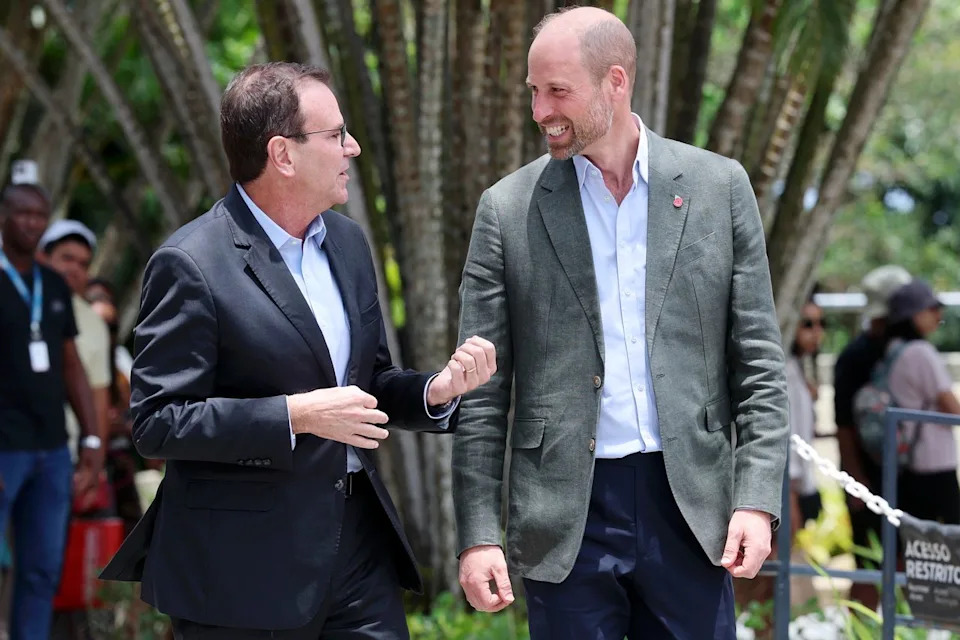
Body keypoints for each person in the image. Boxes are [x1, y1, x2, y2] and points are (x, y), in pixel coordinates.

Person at [100, 62, 496, 639]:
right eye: (336, 135)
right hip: (243, 571)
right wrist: (295, 415)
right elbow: (158, 423)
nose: (352, 148)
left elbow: (368, 383)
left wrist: (435, 391)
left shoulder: (349, 244)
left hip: (358, 549)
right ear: (282, 154)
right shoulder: (190, 264)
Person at [452, 8, 788, 639]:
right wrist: (477, 535)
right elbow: (482, 392)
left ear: (615, 81)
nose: (539, 110)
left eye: (558, 91)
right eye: (533, 91)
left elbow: (760, 367)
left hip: (690, 506)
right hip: (566, 515)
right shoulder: (506, 210)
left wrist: (757, 497)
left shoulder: (719, 187)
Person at [0, 183, 103, 640]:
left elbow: (70, 365)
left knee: (42, 570)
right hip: (5, 448)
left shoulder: (54, 286)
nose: (31, 222)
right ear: (4, 216)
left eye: (39, 215)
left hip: (50, 453)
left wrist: (92, 438)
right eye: (22, 213)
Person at [833, 264, 910, 610]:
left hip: (906, 482)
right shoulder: (854, 357)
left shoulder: (907, 351)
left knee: (909, 567)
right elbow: (844, 425)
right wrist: (856, 484)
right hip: (866, 481)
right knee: (869, 568)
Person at [881, 280, 960, 524]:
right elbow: (952, 408)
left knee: (918, 545)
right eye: (932, 309)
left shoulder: (893, 349)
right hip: (934, 463)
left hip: (909, 461)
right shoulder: (921, 352)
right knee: (949, 544)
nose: (939, 315)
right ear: (913, 315)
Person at [38, 221, 112, 474]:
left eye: (83, 264)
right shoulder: (12, 300)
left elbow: (98, 397)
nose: (74, 269)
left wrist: (95, 458)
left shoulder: (94, 324)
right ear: (43, 258)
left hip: (61, 455)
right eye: (66, 258)